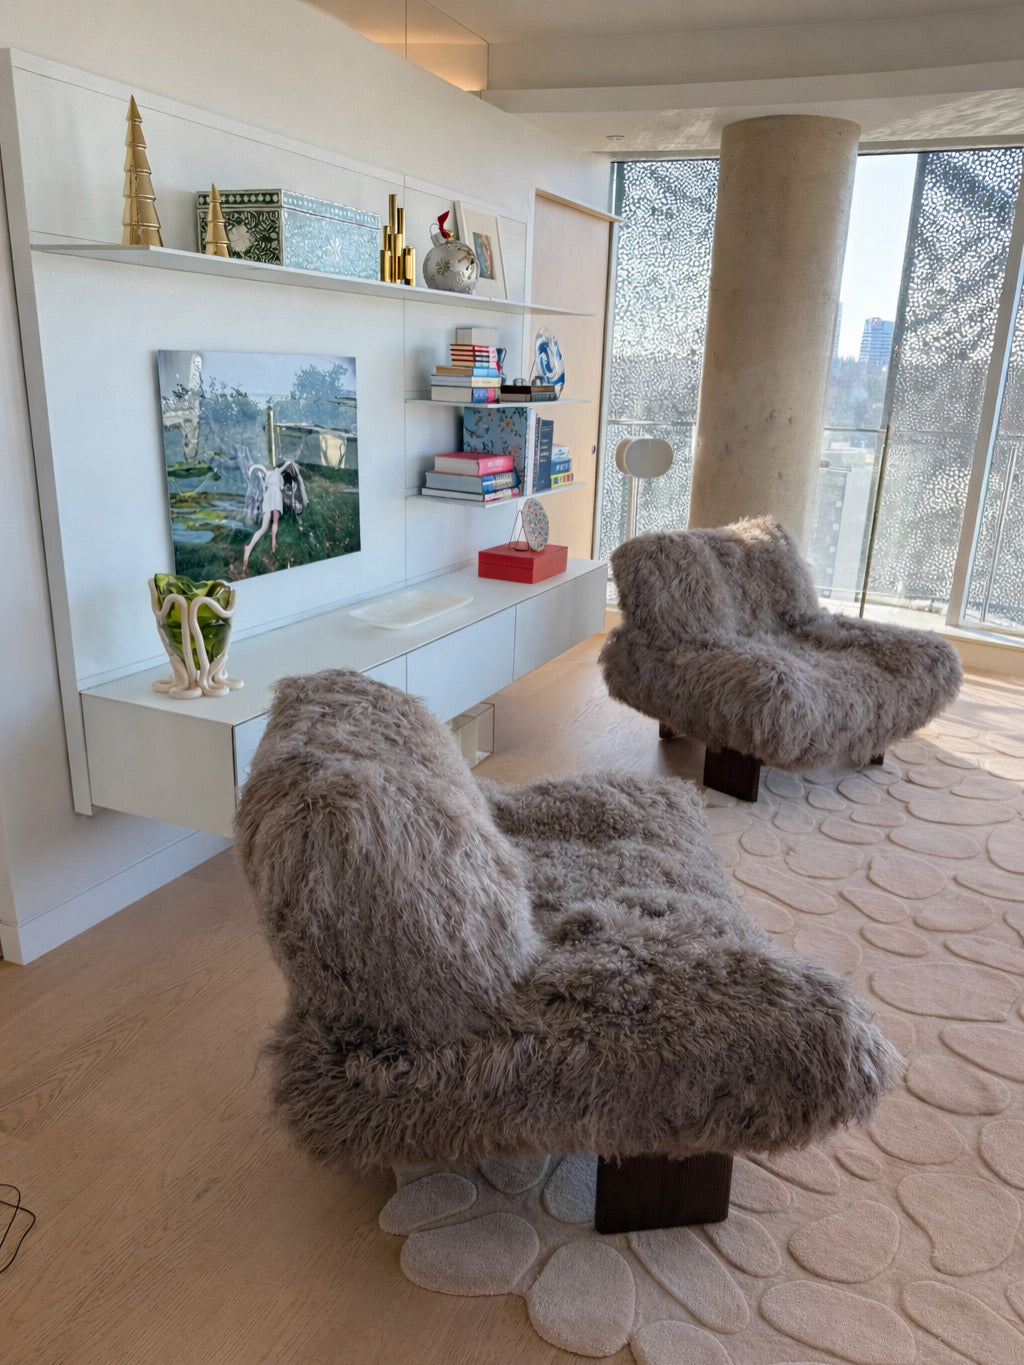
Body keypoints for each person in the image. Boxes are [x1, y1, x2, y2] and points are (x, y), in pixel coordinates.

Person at [242, 463, 285, 570]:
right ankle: (250, 547)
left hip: (267, 496)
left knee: (264, 527)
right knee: (266, 525)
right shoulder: (274, 476)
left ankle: (249, 548)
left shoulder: (268, 475)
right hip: (270, 496)